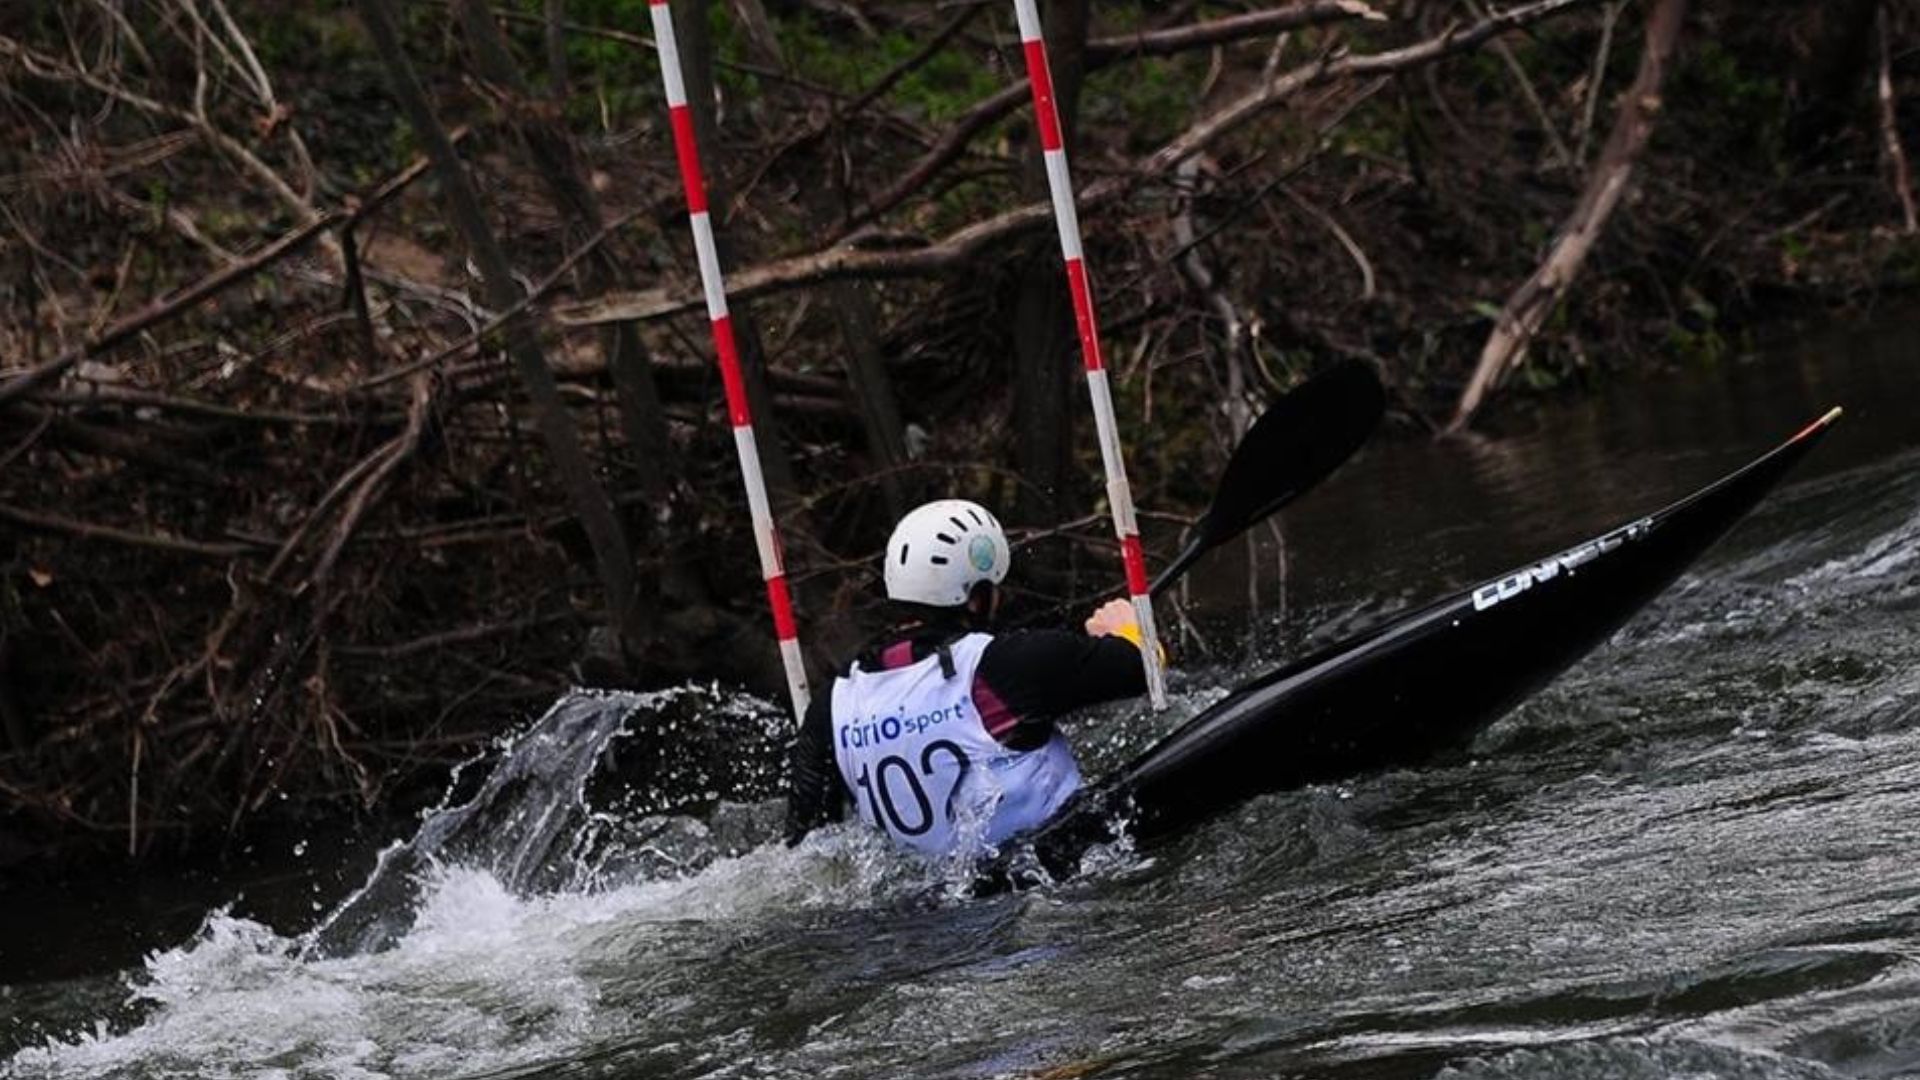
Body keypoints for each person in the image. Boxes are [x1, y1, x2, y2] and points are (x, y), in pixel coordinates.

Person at [784, 498, 1158, 856]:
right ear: (977, 598)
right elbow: (1146, 668)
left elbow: (808, 845)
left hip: (926, 907)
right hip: (1052, 878)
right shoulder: (1007, 665)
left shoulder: (832, 704)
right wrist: (1126, 626)